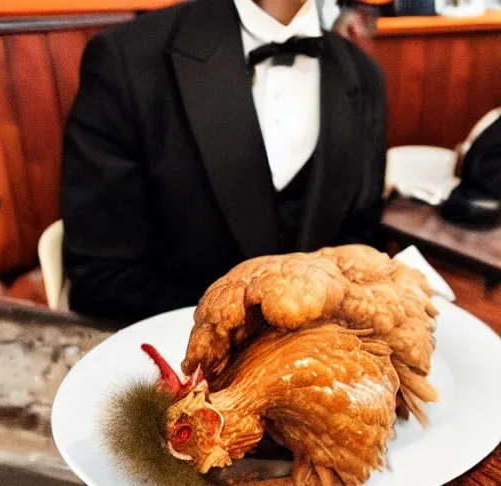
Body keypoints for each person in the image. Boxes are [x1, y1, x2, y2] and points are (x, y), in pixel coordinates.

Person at [62, 0, 386, 326]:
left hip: (324, 356)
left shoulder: (366, 77)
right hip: (174, 350)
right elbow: (102, 279)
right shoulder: (128, 60)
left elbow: (360, 239)